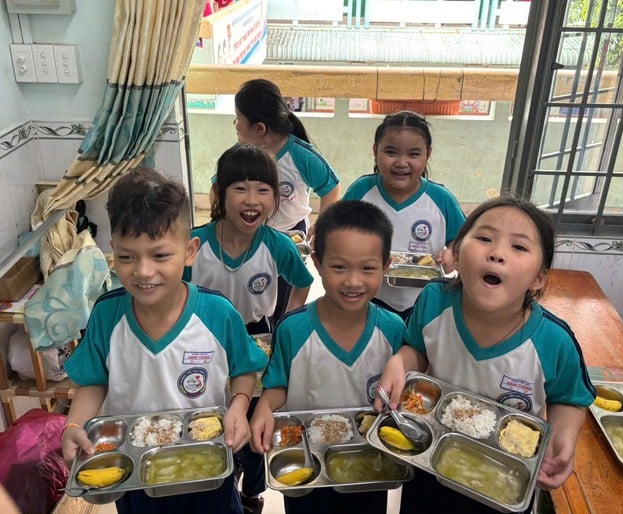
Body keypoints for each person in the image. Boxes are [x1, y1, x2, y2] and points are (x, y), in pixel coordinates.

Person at [60, 167, 268, 514]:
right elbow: (93, 382)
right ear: (113, 250)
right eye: (127, 257)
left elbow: (245, 368)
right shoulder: (107, 316)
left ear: (189, 252)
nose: (142, 271)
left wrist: (238, 405)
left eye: (159, 256)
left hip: (208, 471)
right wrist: (73, 425)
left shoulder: (218, 314)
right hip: (135, 472)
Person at [377, 195, 596, 514]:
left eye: (518, 247)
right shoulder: (434, 301)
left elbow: (569, 399)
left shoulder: (554, 340)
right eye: (483, 239)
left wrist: (564, 435)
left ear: (538, 279)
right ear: (455, 254)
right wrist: (400, 363)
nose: (496, 253)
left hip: (504, 479)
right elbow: (417, 349)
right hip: (430, 465)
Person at [250, 200, 406, 514]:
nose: (353, 281)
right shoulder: (293, 329)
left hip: (367, 468)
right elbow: (278, 386)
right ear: (318, 263)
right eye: (339, 266)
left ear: (386, 266)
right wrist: (264, 407)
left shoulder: (393, 330)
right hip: (307, 467)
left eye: (368, 268)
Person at [185, 143, 314, 514]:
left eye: (263, 189)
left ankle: (252, 492)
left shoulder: (277, 244)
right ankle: (219, 480)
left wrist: (288, 321)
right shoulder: (196, 243)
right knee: (213, 414)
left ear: (275, 197)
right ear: (219, 194)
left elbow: (302, 280)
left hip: (258, 339)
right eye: (240, 188)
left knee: (256, 422)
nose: (252, 199)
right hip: (203, 340)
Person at [232, 78, 341, 322]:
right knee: (255, 287)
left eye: (238, 117)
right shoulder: (244, 156)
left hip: (291, 235)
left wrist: (321, 224)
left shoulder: (300, 155)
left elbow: (331, 188)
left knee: (284, 294)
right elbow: (219, 186)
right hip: (254, 232)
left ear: (259, 128)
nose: (235, 124)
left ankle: (281, 332)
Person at [343, 110, 466, 320]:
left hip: (424, 302)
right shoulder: (361, 191)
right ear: (375, 151)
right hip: (367, 298)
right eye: (391, 152)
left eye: (413, 154)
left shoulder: (441, 199)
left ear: (428, 154)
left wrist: (453, 253)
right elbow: (338, 232)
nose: (401, 162)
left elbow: (464, 239)